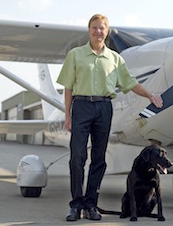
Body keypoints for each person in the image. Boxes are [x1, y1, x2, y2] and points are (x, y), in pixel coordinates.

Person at [56, 14, 163, 222]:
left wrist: (150, 94)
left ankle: (91, 204)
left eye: (102, 28)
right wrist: (67, 114)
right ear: (89, 30)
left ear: (107, 31)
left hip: (104, 107)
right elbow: (68, 87)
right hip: (82, 106)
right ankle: (76, 204)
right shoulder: (75, 55)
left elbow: (130, 83)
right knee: (77, 157)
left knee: (99, 159)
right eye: (94, 28)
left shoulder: (115, 59)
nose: (98, 31)